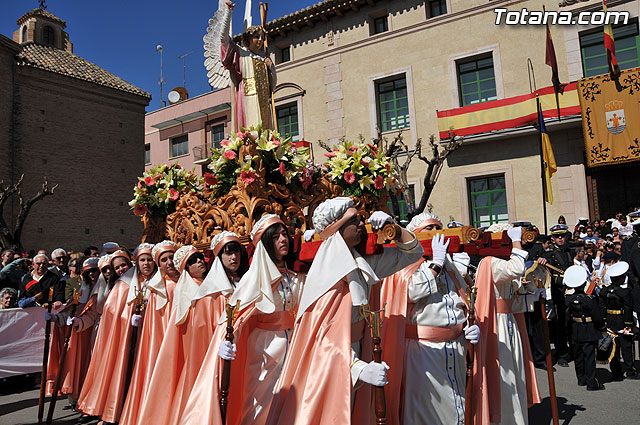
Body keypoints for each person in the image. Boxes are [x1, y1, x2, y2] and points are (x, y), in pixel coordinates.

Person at [265, 198, 424, 425]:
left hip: (358, 350)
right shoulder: (329, 275)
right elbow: (324, 339)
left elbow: (412, 254)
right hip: (334, 361)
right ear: (337, 228)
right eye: (354, 221)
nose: (361, 224)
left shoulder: (361, 262)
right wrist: (356, 368)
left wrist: (396, 229)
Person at [182, 221, 302, 425]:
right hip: (265, 348)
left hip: (293, 346)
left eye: (285, 235)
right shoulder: (254, 280)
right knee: (261, 402)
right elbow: (235, 318)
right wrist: (226, 341)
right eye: (276, 237)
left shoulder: (295, 277)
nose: (283, 240)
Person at [379, 212, 480, 425]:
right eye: (429, 229)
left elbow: (461, 298)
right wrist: (435, 264)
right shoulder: (404, 264)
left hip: (455, 347)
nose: (436, 233)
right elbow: (409, 292)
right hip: (422, 351)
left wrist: (470, 325)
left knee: (458, 407)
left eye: (438, 228)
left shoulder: (448, 263)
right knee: (427, 411)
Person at [140, 239, 239, 425]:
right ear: (185, 268)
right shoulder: (187, 291)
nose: (199, 262)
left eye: (200, 258)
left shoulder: (211, 285)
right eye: (192, 261)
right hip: (196, 346)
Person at [75, 244, 156, 424]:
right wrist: (128, 319)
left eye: (124, 265)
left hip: (149, 337)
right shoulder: (122, 285)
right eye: (117, 267)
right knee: (121, 374)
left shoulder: (154, 281)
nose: (121, 269)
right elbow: (110, 311)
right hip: (124, 339)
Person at [472, 225, 542, 425]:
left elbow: (516, 296)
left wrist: (529, 287)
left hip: (510, 322)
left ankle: (518, 418)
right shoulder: (490, 262)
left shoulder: (502, 262)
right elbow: (516, 268)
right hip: (498, 326)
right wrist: (518, 244)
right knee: (505, 373)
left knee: (517, 370)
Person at [120, 240, 179, 425]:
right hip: (161, 344)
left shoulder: (189, 282)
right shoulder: (157, 289)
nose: (169, 263)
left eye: (172, 258)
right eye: (164, 260)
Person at [46, 257, 103, 405]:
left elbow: (92, 313)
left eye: (94, 270)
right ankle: (77, 398)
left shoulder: (103, 289)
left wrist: (81, 322)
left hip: (95, 332)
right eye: (87, 272)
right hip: (79, 334)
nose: (91, 274)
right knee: (75, 365)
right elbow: (72, 308)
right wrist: (57, 317)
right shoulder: (82, 289)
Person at [213, 1, 277, 130]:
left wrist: (271, 68)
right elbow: (224, 40)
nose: (260, 40)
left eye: (262, 37)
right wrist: (228, 14)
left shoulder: (264, 60)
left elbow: (272, 86)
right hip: (247, 97)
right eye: (256, 37)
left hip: (263, 100)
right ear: (248, 39)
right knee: (250, 129)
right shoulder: (240, 53)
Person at [564, 265, 606, 391]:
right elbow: (597, 316)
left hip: (575, 329)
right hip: (588, 328)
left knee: (578, 355)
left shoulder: (568, 299)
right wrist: (602, 327)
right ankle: (591, 382)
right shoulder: (589, 300)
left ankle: (581, 379)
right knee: (589, 356)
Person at [538, 224, 572, 367]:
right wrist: (543, 262)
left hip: (571, 292)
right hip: (558, 293)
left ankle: (571, 350)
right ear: (552, 238)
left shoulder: (571, 252)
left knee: (570, 323)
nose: (560, 238)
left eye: (562, 236)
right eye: (557, 236)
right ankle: (561, 353)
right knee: (559, 324)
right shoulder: (548, 255)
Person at [599, 261, 640, 380]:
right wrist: (628, 324)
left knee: (613, 346)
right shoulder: (625, 293)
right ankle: (630, 371)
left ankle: (616, 372)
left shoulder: (604, 291)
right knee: (627, 346)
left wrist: (604, 320)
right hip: (622, 320)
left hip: (610, 321)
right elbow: (628, 309)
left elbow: (602, 307)